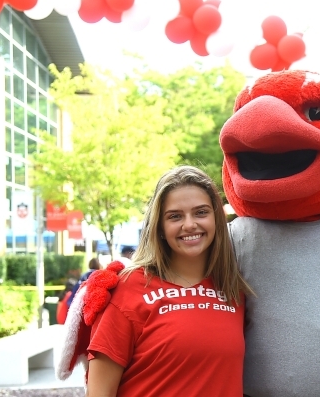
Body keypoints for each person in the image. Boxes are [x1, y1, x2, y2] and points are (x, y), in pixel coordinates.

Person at [85, 165, 254, 397]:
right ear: (160, 227)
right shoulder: (128, 288)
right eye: (175, 216)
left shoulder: (234, 290)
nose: (189, 224)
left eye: (201, 212)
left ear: (216, 219)